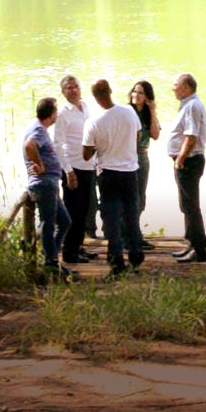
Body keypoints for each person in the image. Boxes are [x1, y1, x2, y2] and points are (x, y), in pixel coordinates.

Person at [82, 80, 145, 276]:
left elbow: (86, 154)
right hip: (129, 172)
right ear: (110, 91)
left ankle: (116, 261)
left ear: (95, 97)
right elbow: (138, 135)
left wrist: (102, 146)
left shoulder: (94, 122)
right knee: (131, 215)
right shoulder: (129, 112)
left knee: (111, 219)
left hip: (108, 174)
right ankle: (136, 256)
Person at [23, 97, 72, 277]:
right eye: (56, 111)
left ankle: (51, 255)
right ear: (51, 114)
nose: (57, 114)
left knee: (65, 222)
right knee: (48, 223)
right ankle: (51, 264)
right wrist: (40, 165)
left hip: (49, 185)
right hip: (44, 185)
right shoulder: (38, 131)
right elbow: (29, 145)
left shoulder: (39, 129)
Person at [53, 75, 97, 264]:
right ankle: (69, 252)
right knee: (73, 212)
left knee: (84, 211)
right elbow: (57, 144)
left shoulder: (86, 107)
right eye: (69, 88)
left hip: (89, 165)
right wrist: (68, 171)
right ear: (63, 93)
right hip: (73, 168)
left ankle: (79, 248)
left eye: (76, 86)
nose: (73, 90)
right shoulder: (63, 113)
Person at [167, 73, 206, 263]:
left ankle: (199, 249)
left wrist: (181, 158)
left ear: (187, 87)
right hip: (187, 160)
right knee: (186, 205)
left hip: (189, 161)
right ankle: (192, 244)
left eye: (175, 85)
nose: (172, 88)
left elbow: (191, 136)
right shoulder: (188, 104)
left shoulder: (192, 105)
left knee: (191, 206)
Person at [129, 81, 160, 251]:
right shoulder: (127, 112)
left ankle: (135, 234)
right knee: (130, 198)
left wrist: (153, 110)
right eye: (134, 91)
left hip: (142, 157)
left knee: (140, 199)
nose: (136, 95)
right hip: (127, 158)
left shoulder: (148, 114)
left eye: (140, 93)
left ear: (147, 97)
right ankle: (128, 235)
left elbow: (155, 135)